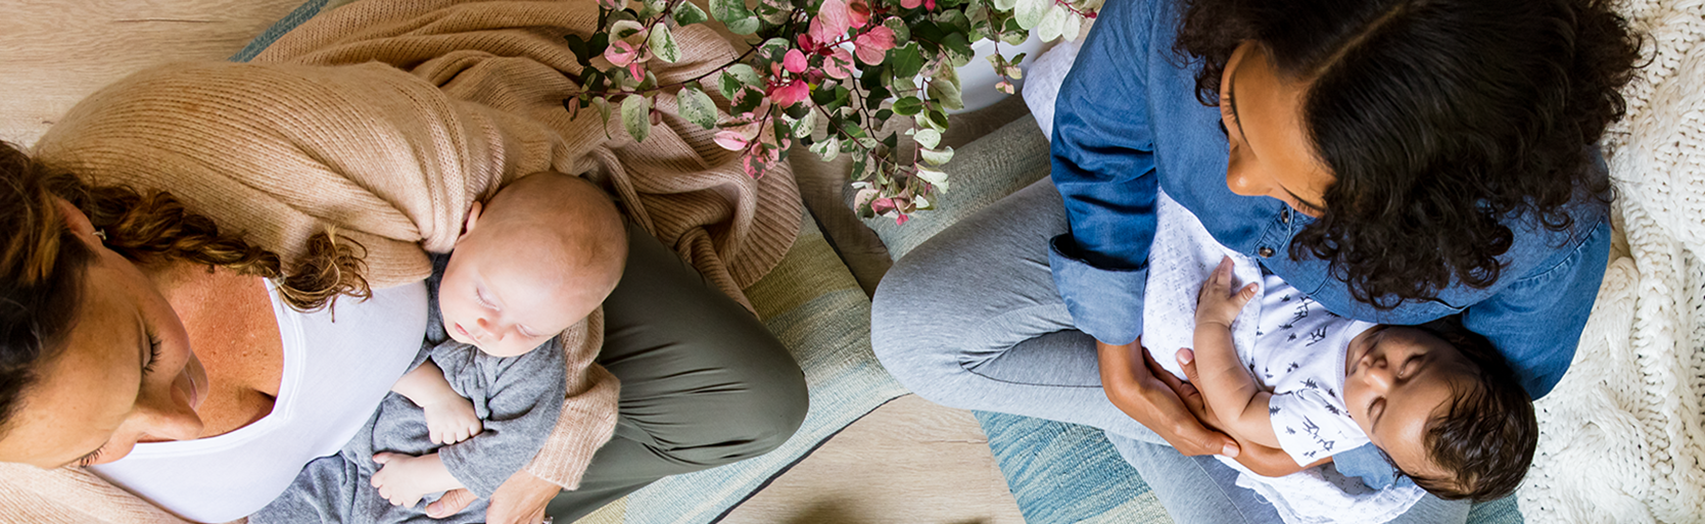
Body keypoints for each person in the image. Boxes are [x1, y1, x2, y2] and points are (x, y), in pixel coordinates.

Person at [0, 1, 808, 523]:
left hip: (476, 305)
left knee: (755, 401)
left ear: (77, 229)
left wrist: (552, 446)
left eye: (145, 350)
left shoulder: (216, 138)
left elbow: (524, 177)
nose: (179, 418)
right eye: (92, 447)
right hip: (361, 499)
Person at [871, 0, 1637, 522]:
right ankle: (1179, 423)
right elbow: (1103, 138)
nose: (1236, 184)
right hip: (1173, 236)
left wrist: (1286, 440)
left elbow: (1469, 409)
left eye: (1300, 195)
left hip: (1327, 413)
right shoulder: (1187, 10)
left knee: (1395, 492)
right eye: (1231, 111)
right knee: (914, 333)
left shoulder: (1540, 239)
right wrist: (1116, 356)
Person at [249, 173, 623, 523]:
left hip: (432, 498)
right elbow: (361, 341)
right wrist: (435, 395)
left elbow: (515, 442)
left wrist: (422, 476)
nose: (490, 330)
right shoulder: (413, 278)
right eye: (487, 298)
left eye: (527, 328)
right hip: (334, 461)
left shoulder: (532, 367)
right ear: (468, 230)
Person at [1187, 256, 1535, 503]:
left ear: (1377, 446)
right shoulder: (1401, 300)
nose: (1375, 372)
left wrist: (1212, 326)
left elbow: (1241, 412)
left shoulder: (1324, 421)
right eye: (1411, 364)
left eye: (1377, 407)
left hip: (1220, 316)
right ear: (1454, 342)